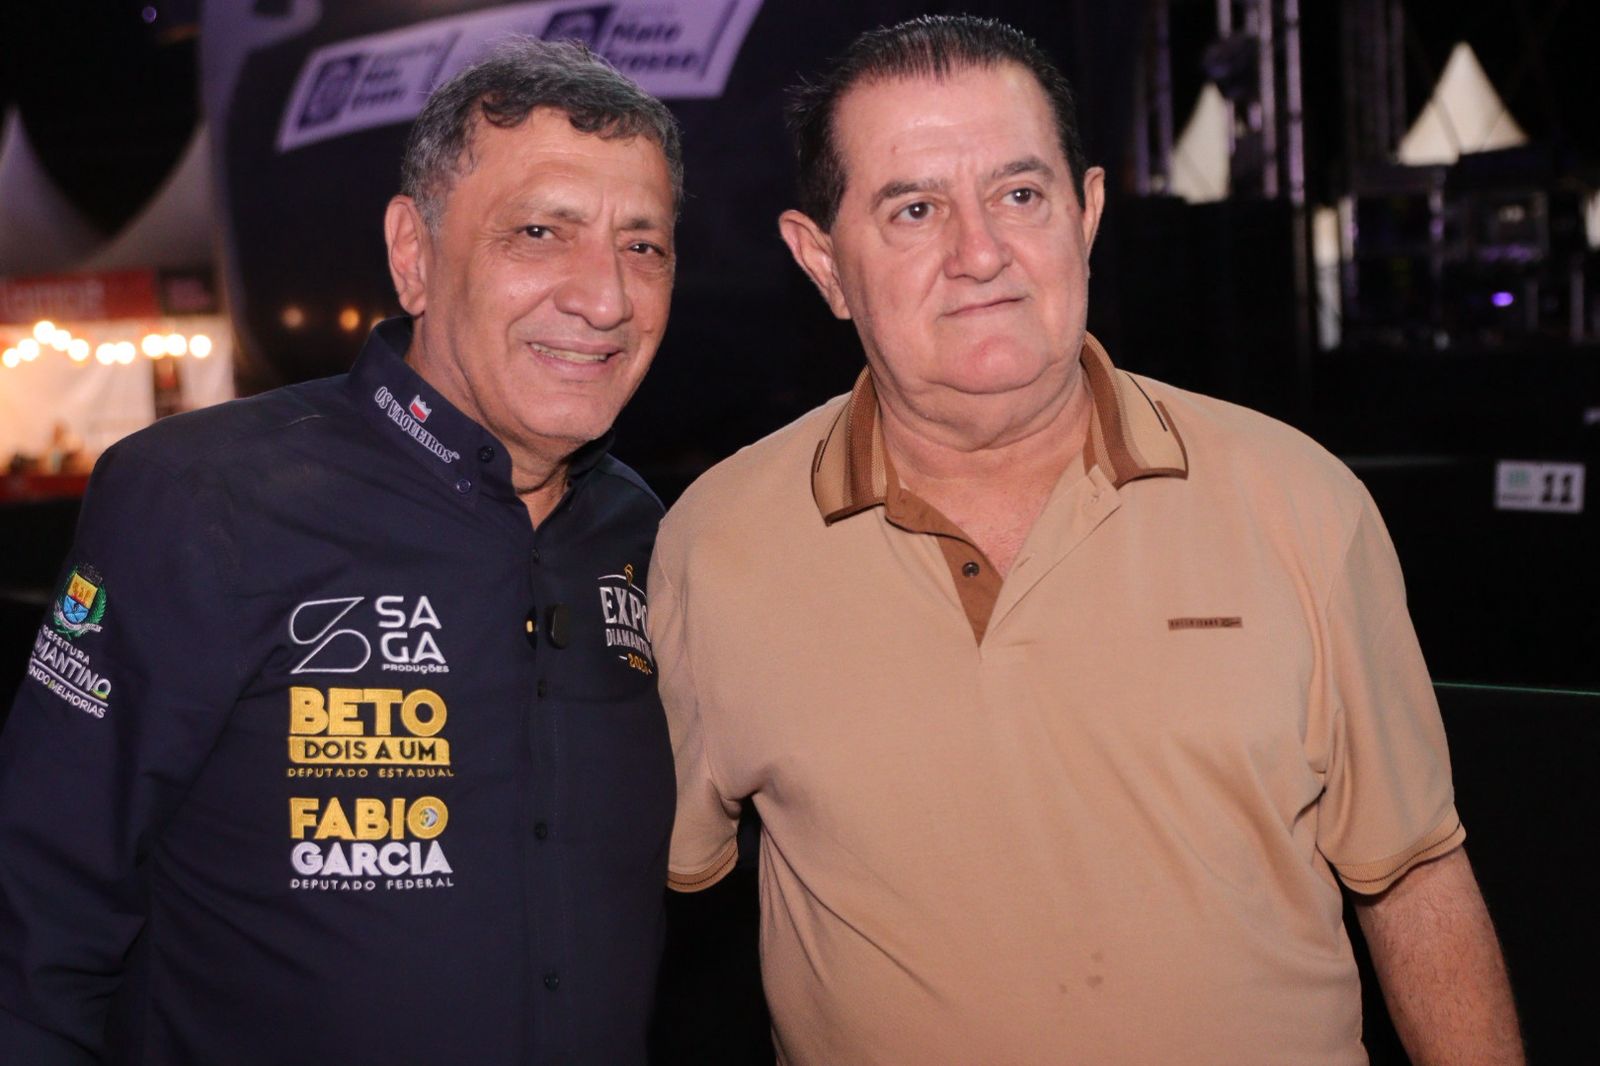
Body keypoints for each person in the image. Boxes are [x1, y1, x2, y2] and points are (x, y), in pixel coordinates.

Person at [652, 15, 1522, 1065]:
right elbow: (642, 916)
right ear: (823, 262)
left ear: (1088, 212)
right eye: (915, 209)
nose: (981, 253)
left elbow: (1415, 873)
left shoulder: (1298, 502)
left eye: (1020, 195)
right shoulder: (717, 547)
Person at [0, 39, 678, 1065]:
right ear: (414, 254)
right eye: (540, 232)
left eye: (644, 246)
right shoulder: (201, 497)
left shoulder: (644, 534)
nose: (606, 297)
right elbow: (37, 913)